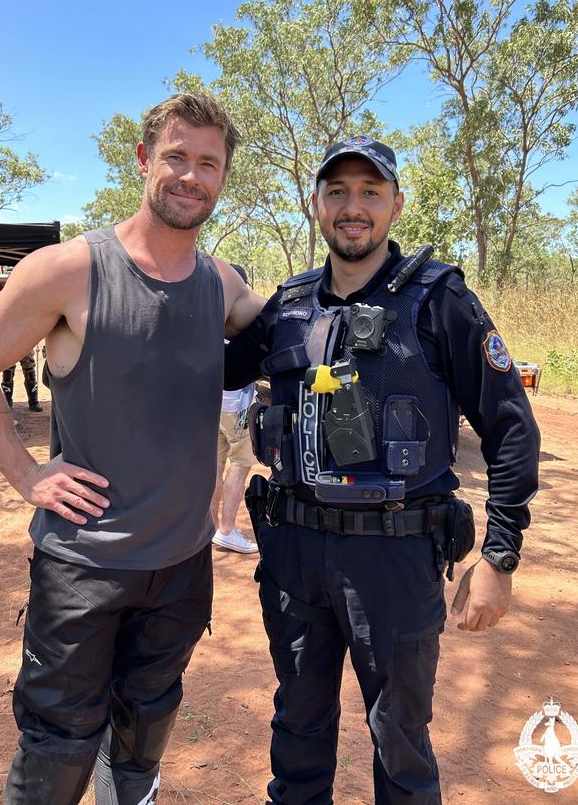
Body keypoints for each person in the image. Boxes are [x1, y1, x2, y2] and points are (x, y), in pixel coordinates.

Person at [0, 93, 265, 805]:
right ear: (145, 160)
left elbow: (287, 331)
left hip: (182, 566)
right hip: (83, 566)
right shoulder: (70, 270)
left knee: (146, 728)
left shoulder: (221, 283)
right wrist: (27, 473)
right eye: (177, 157)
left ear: (222, 177)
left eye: (208, 164)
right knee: (59, 744)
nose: (191, 176)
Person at [224, 135, 540, 805]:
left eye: (370, 192)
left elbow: (511, 426)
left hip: (396, 560)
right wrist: (194, 291)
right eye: (337, 191)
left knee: (400, 740)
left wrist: (500, 556)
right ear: (316, 204)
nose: (353, 207)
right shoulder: (287, 304)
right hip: (293, 558)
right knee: (297, 730)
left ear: (396, 204)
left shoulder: (439, 299)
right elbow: (212, 369)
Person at [211, 263, 259, 555]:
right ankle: (227, 530)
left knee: (215, 465)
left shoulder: (208, 316)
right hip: (237, 408)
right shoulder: (244, 320)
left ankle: (212, 527)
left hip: (211, 406)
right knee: (240, 465)